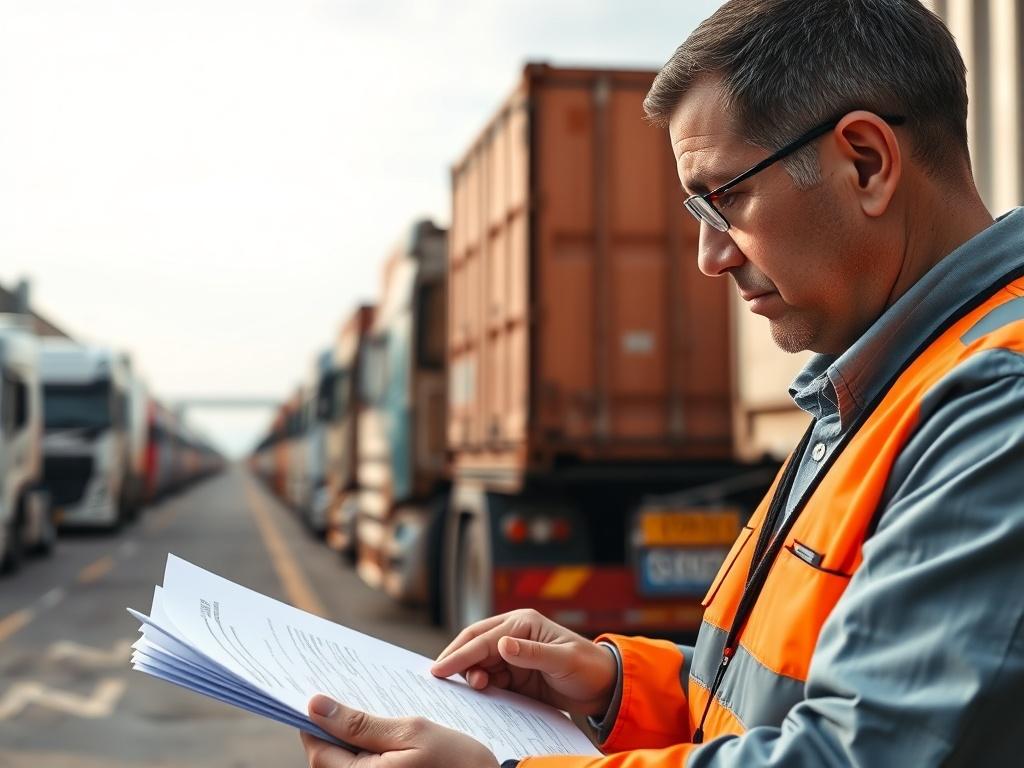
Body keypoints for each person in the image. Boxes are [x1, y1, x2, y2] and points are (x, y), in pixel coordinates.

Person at [301, 1, 1024, 765]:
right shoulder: (882, 385)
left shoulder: (995, 403)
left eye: (725, 198)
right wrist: (615, 683)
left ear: (867, 164)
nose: (711, 257)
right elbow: (785, 704)